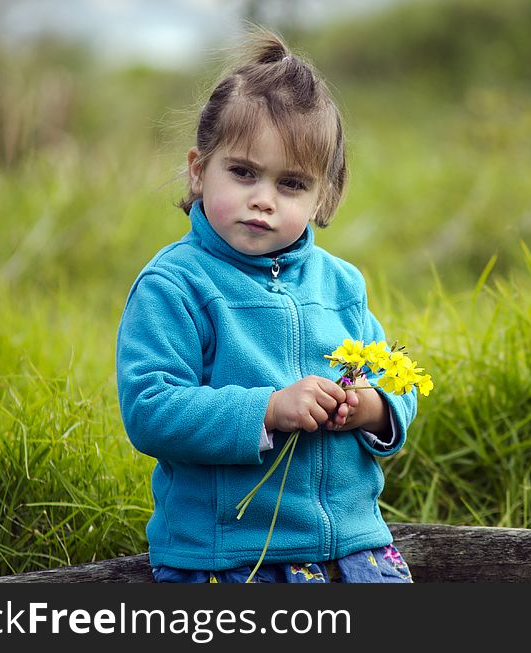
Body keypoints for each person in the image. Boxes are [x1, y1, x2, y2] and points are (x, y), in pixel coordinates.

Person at [115, 28, 417, 583]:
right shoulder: (175, 285)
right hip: (231, 557)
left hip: (354, 548)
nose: (263, 199)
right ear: (199, 168)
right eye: (243, 172)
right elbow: (150, 410)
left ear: (322, 196)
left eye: (292, 184)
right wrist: (268, 409)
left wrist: (370, 407)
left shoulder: (340, 284)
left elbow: (398, 380)